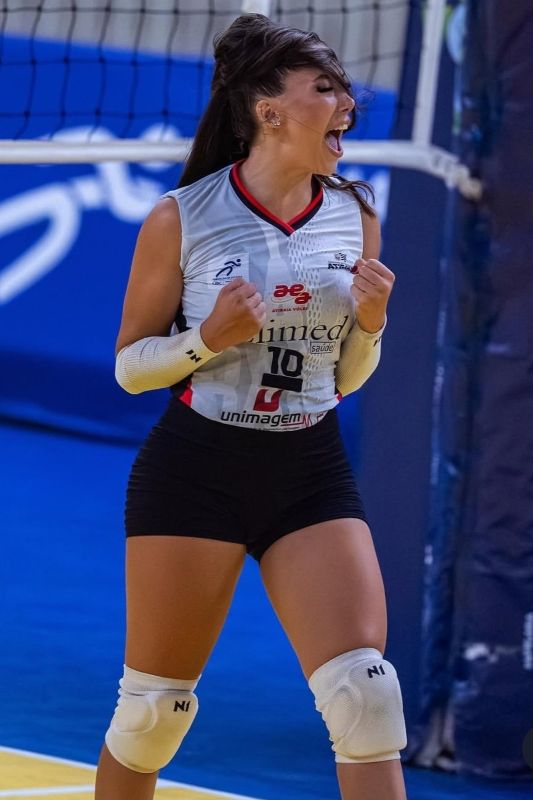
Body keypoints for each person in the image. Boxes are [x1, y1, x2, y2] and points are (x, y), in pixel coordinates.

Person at [94, 12, 407, 800]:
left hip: (308, 468)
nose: (346, 102)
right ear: (268, 110)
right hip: (196, 471)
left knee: (366, 699)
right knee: (151, 716)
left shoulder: (356, 213)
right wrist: (206, 339)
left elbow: (347, 377)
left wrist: (370, 325)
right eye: (324, 88)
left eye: (343, 87)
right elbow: (130, 368)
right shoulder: (183, 216)